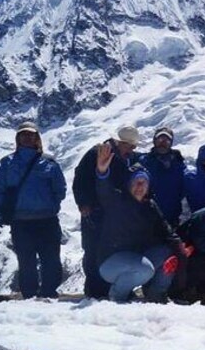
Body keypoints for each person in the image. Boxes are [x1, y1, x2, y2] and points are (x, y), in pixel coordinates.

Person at [0, 122, 66, 299]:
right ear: (18, 138)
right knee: (26, 261)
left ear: (37, 138)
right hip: (21, 220)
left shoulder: (49, 162)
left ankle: (49, 294)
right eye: (24, 135)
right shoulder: (6, 163)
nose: (27, 137)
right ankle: (30, 296)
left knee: (51, 259)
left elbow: (59, 188)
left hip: (46, 218)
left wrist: (53, 207)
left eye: (31, 135)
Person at [95, 149, 183, 303]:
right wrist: (102, 172)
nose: (140, 186)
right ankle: (117, 297)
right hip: (110, 262)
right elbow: (104, 191)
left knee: (169, 253)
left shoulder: (150, 206)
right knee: (146, 269)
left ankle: (156, 294)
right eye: (136, 182)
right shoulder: (117, 201)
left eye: (144, 182)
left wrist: (180, 248)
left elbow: (166, 230)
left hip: (135, 258)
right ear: (129, 184)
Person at [72, 125, 140, 299]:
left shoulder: (124, 158)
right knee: (93, 250)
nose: (132, 149)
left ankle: (111, 288)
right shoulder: (97, 153)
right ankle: (94, 291)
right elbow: (80, 179)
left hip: (112, 214)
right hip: (94, 212)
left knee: (112, 251)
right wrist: (83, 203)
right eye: (130, 145)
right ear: (120, 142)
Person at [138, 127, 186, 227]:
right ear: (154, 141)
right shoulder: (144, 162)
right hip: (147, 218)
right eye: (160, 139)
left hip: (171, 218)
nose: (163, 143)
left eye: (167, 140)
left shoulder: (178, 163)